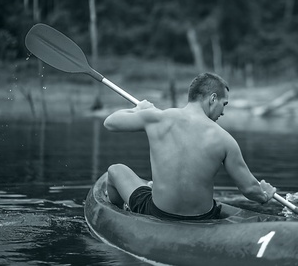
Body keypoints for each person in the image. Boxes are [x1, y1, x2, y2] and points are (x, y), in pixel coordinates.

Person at [104, 72, 277, 221]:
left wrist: (138, 109)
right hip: (203, 218)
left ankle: (120, 217)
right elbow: (249, 189)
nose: (223, 112)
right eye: (224, 105)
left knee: (115, 170)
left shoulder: (158, 118)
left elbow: (110, 123)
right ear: (213, 98)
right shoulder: (225, 139)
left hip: (158, 213)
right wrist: (264, 195)